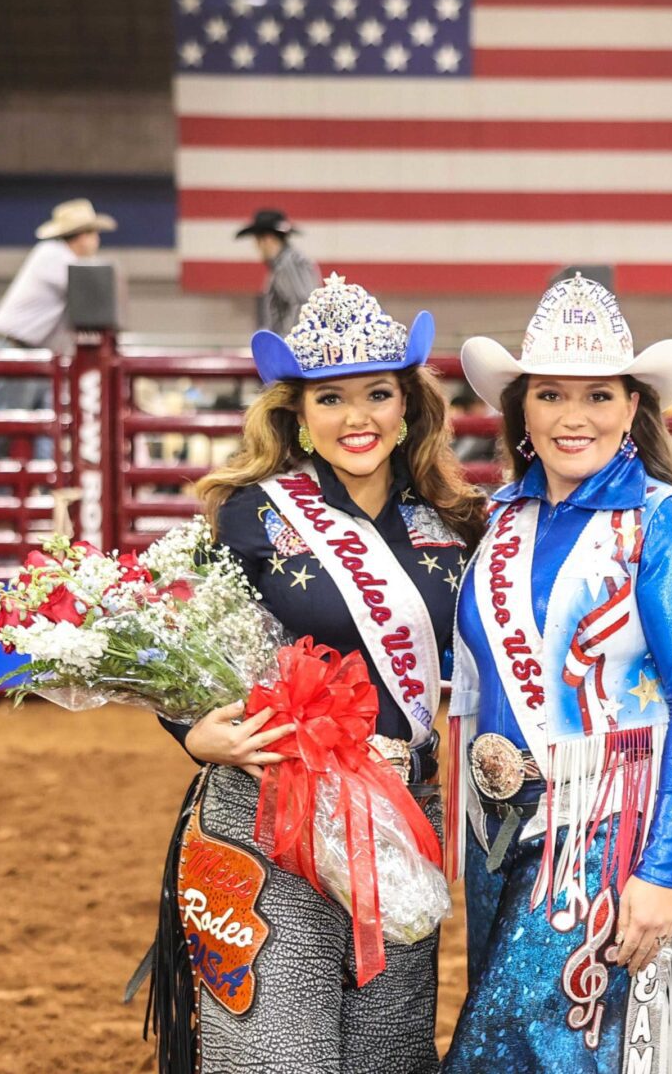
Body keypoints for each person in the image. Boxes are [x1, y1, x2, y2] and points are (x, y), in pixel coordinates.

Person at [154, 273, 485, 1074]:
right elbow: (169, 634)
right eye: (330, 399)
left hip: (406, 814)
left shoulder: (457, 519)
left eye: (377, 393)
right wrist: (190, 731)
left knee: (388, 1054)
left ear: (408, 404)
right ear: (297, 415)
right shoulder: (251, 511)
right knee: (275, 1053)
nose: (358, 417)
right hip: (276, 810)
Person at [442, 274, 672, 1073]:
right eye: (552, 395)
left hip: (602, 824)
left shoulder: (666, 522)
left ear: (634, 407)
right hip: (492, 827)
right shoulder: (496, 518)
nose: (575, 417)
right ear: (521, 409)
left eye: (599, 395)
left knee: (517, 1050)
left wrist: (661, 872)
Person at [0, 197, 116, 460]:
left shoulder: (56, 258)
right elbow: (92, 290)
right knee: (4, 429)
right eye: (93, 233)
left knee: (44, 428)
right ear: (81, 236)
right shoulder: (54, 256)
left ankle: (43, 494)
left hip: (32, 352)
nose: (96, 240)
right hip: (16, 348)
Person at [235, 208, 321, 335]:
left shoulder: (289, 264)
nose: (256, 247)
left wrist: (289, 346)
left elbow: (303, 304)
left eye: (257, 240)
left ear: (267, 239)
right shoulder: (285, 263)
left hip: (291, 349)